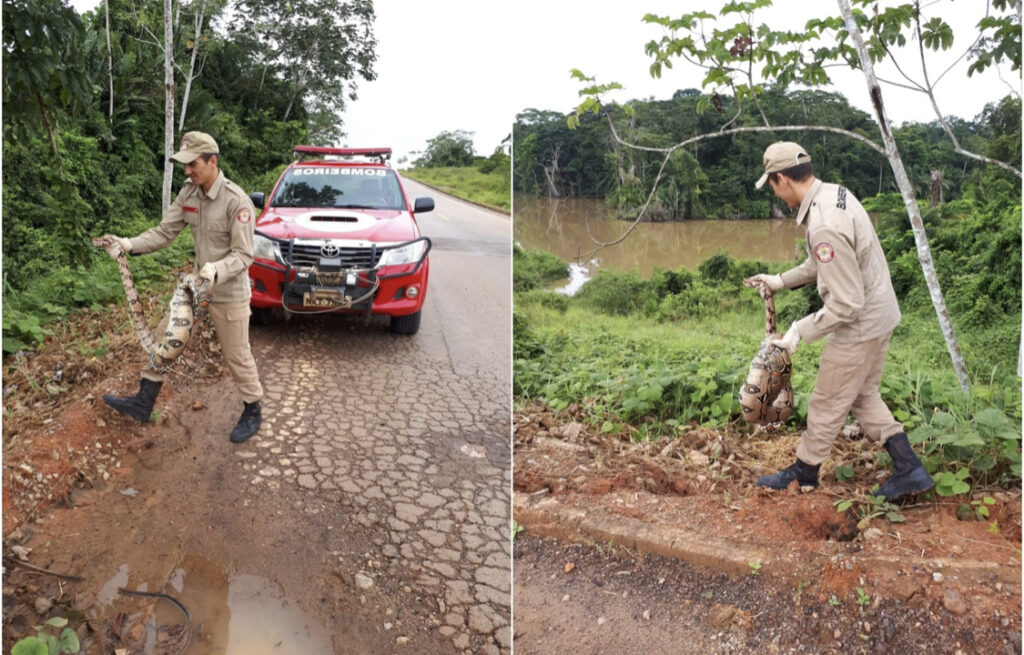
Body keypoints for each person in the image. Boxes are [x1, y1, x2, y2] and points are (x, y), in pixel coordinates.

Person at [746, 141, 933, 502]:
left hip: (859, 325)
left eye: (771, 183)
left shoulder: (824, 222)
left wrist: (800, 331)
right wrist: (780, 280)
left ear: (782, 179)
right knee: (863, 396)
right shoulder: (835, 194)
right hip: (881, 314)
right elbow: (824, 262)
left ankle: (805, 472)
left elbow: (846, 304)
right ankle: (910, 469)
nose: (773, 189)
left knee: (827, 401)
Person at [99, 131, 263, 443]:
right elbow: (165, 232)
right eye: (185, 165)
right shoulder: (189, 193)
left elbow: (244, 255)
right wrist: (128, 244)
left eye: (193, 165)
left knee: (237, 355)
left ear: (212, 161)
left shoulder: (236, 201)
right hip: (195, 289)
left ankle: (253, 409)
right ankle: (143, 402)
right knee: (164, 338)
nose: (187, 171)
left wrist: (217, 268)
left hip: (228, 291)